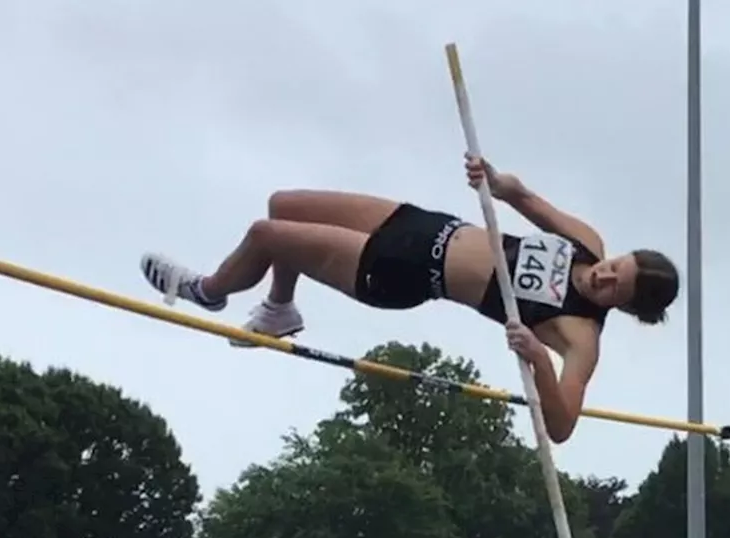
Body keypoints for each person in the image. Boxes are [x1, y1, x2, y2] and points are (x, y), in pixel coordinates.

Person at [139, 155, 680, 442]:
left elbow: (561, 426)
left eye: (615, 287)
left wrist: (538, 358)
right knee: (283, 205)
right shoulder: (587, 241)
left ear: (625, 306)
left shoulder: (581, 336)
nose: (603, 276)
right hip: (424, 225)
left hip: (402, 271)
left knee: (265, 234)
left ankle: (206, 292)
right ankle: (280, 308)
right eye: (615, 266)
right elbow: (524, 198)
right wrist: (495, 179)